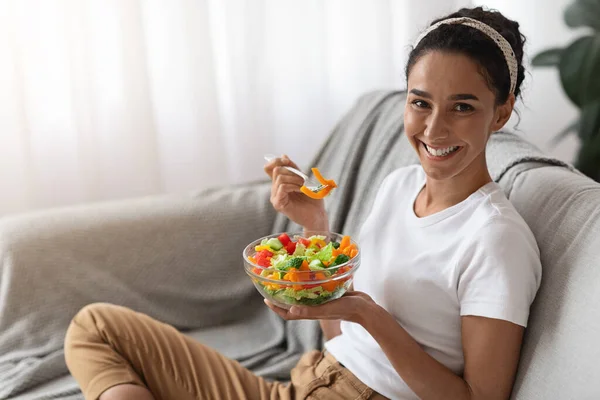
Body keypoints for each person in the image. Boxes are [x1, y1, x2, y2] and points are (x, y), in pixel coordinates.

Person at [64, 6, 541, 400]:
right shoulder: (398, 186)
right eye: (420, 103)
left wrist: (370, 317)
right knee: (96, 327)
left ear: (500, 112)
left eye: (462, 107)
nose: (434, 130)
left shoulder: (496, 239)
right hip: (305, 384)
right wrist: (316, 227)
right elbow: (342, 341)